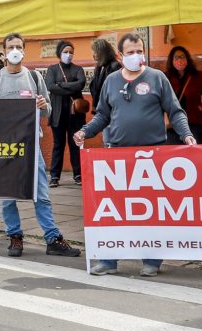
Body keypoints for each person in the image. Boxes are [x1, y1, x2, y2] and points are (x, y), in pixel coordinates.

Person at [76, 31, 193, 277]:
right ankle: (108, 260)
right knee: (113, 209)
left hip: (151, 156)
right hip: (117, 156)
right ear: (120, 55)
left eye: (139, 51)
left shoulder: (157, 78)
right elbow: (103, 116)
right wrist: (85, 132)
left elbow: (175, 111)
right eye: (130, 52)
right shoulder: (111, 81)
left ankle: (151, 260)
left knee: (149, 210)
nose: (136, 56)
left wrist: (186, 135)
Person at [0, 33, 81, 259]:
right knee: (7, 196)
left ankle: (52, 238)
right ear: (4, 51)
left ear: (24, 50)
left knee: (41, 193)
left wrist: (43, 105)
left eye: (19, 46)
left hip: (31, 145)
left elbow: (48, 111)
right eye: (11, 46)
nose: (15, 50)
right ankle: (15, 236)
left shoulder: (34, 77)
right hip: (4, 147)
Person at [45, 40, 87, 185]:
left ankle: (78, 174)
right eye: (65, 52)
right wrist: (70, 87)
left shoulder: (78, 69)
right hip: (58, 113)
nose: (68, 55)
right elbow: (50, 86)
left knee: (75, 143)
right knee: (58, 144)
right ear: (59, 53)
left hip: (75, 114)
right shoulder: (52, 69)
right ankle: (55, 177)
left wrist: (61, 85)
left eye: (71, 52)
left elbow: (80, 84)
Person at [164, 44, 202, 145]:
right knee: (173, 154)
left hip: (194, 123)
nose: (180, 60)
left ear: (187, 58)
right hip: (173, 124)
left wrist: (201, 107)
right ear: (171, 60)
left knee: (194, 153)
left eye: (182, 57)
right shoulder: (166, 77)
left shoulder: (198, 76)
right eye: (176, 58)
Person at [87, 37, 122, 114]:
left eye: (95, 52)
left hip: (110, 111)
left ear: (103, 53)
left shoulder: (115, 66)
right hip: (100, 109)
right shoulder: (99, 67)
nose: (93, 54)